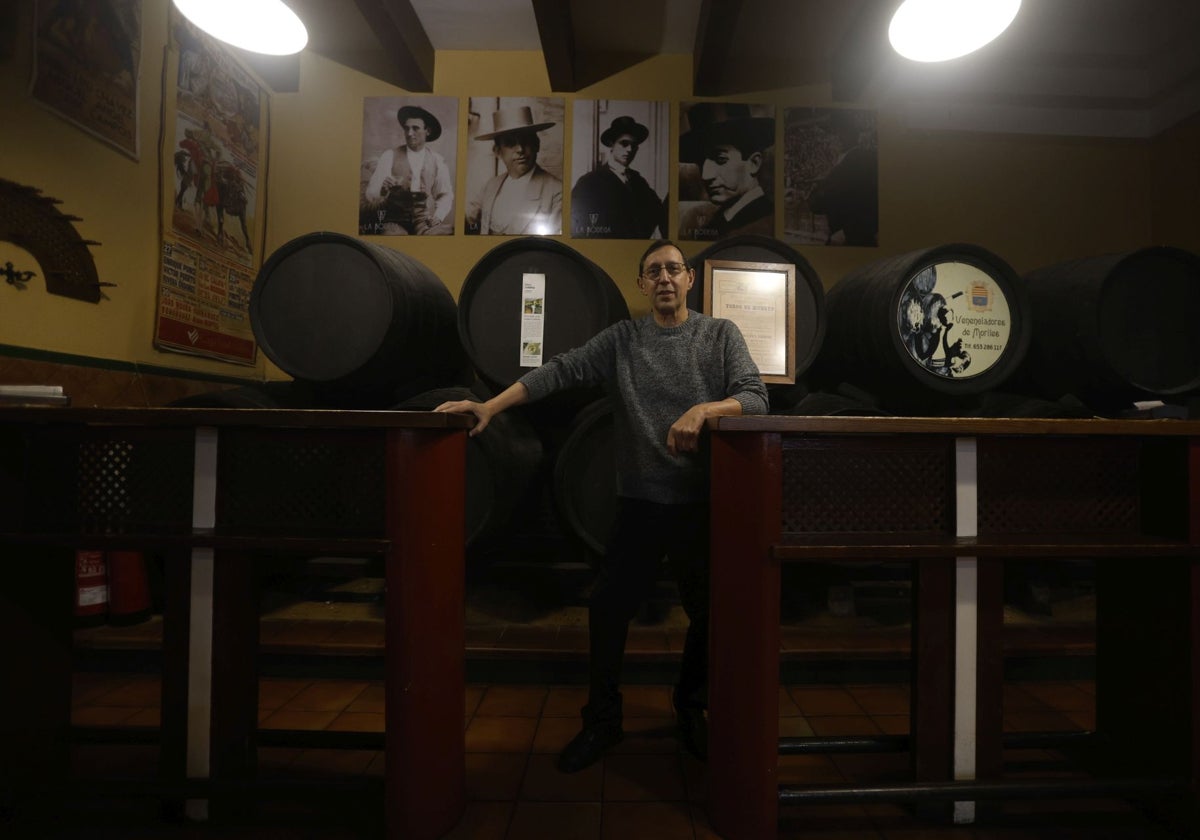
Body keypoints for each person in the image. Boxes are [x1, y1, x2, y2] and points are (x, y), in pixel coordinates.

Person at [435, 240, 768, 773]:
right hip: (638, 503)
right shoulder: (624, 339)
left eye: (673, 270)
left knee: (709, 614)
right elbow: (557, 372)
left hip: (696, 504)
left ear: (690, 281)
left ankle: (689, 708)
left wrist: (704, 409)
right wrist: (490, 406)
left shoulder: (718, 335)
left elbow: (754, 395)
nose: (664, 278)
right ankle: (603, 721)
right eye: (653, 271)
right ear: (641, 284)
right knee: (608, 611)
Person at [678, 103, 775, 240]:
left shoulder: (765, 222)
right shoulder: (720, 219)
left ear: (754, 163)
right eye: (700, 163)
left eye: (720, 160)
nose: (706, 175)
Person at [465, 106, 562, 235]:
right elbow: (469, 220)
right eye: (510, 143)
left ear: (536, 145)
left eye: (526, 141)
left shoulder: (557, 192)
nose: (520, 149)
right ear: (498, 151)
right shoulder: (491, 186)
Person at [362, 105, 454, 235]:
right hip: (394, 221)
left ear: (427, 130)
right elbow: (371, 194)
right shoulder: (390, 155)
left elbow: (445, 194)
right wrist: (383, 189)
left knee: (447, 233)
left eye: (415, 128)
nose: (410, 133)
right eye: (407, 128)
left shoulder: (437, 160)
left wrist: (438, 216)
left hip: (423, 221)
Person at [571, 115, 665, 238]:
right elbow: (580, 228)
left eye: (634, 145)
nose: (630, 149)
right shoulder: (589, 182)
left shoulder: (638, 180)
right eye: (624, 144)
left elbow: (658, 211)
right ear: (611, 144)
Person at [808, 110, 878, 247]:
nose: (828, 140)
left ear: (842, 135)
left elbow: (818, 203)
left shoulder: (852, 163)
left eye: (831, 133)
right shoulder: (862, 159)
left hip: (850, 240)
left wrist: (847, 232)